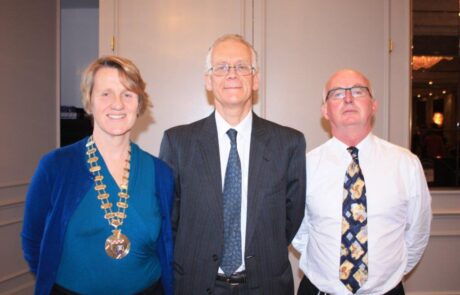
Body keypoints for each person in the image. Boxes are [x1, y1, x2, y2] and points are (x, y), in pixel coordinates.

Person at [159, 34, 306, 294]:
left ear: (255, 78)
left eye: (241, 66)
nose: (232, 74)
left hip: (266, 284)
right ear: (208, 80)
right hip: (195, 284)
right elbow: (170, 219)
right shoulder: (178, 142)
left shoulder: (289, 143)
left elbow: (291, 217)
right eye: (222, 67)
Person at [21, 56, 174, 295]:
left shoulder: (161, 173)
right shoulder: (55, 166)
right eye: (105, 93)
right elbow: (32, 240)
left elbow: (167, 245)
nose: (117, 104)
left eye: (127, 94)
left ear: (139, 104)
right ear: (89, 102)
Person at [293, 69, 432, 295]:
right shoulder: (304, 166)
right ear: (325, 111)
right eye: (337, 94)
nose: (348, 98)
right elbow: (299, 233)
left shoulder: (406, 164)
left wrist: (387, 277)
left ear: (373, 105)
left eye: (358, 91)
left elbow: (418, 231)